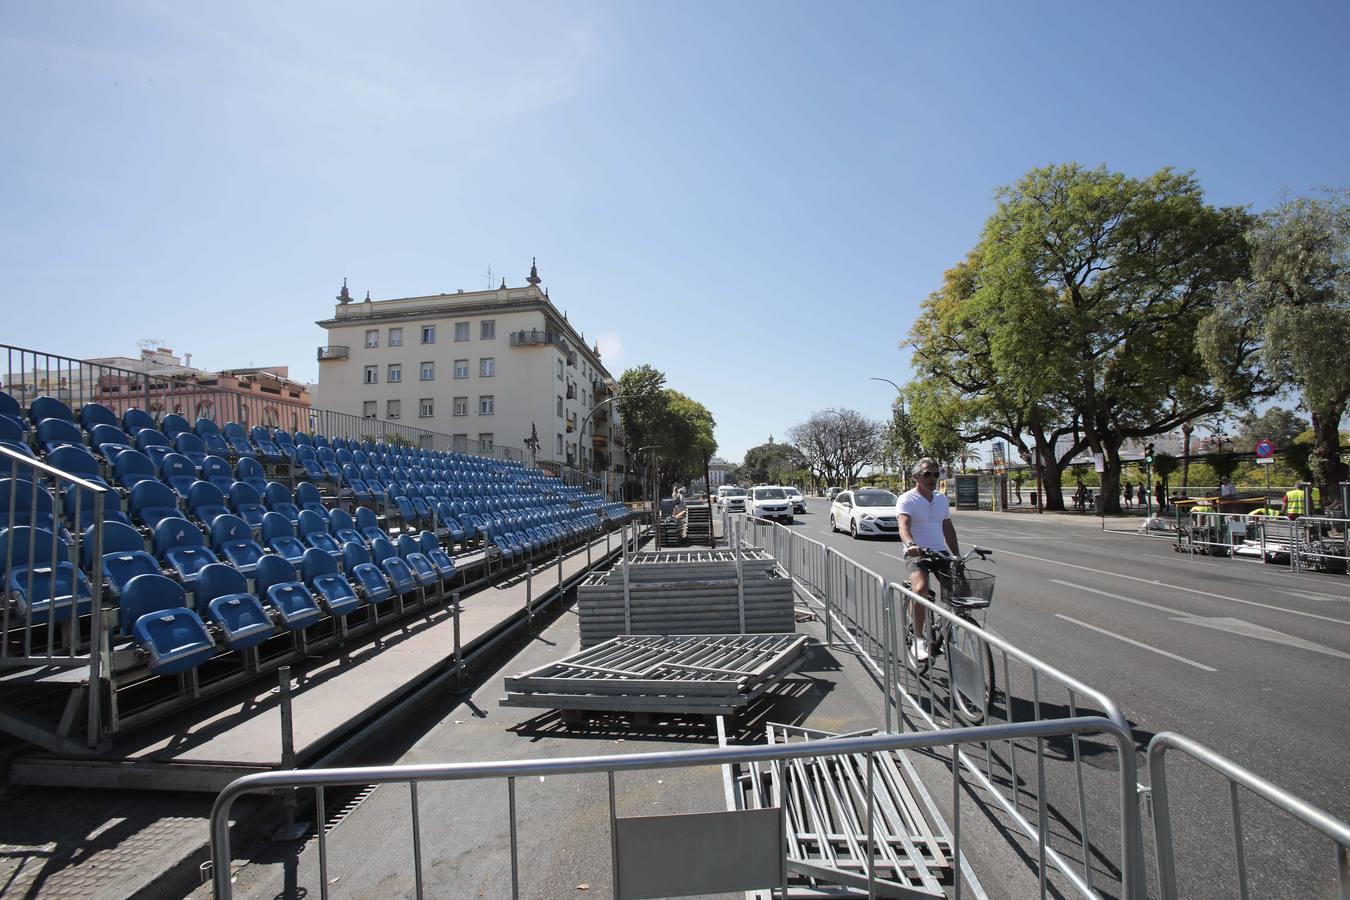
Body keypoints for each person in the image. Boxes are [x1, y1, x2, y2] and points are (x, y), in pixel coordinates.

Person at [899, 457, 961, 663]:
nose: (933, 478)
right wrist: (910, 545)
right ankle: (918, 638)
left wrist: (956, 555)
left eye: (936, 474)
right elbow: (904, 526)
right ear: (916, 477)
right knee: (921, 588)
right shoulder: (907, 499)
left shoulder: (941, 499)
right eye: (927, 474)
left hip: (939, 551)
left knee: (959, 592)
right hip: (917, 553)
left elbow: (948, 529)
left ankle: (948, 630)